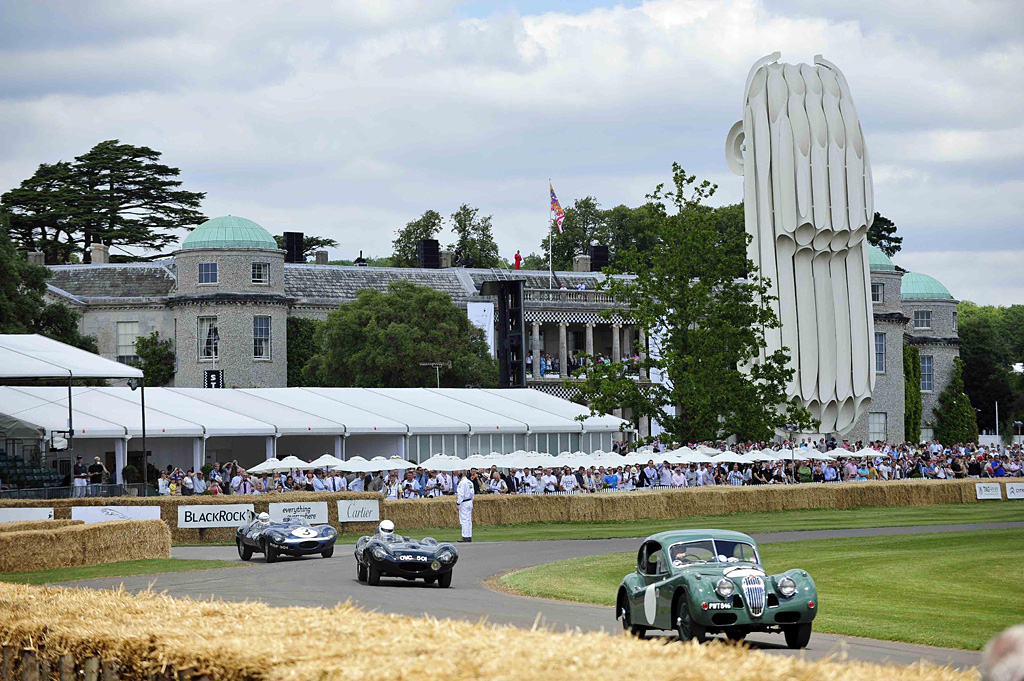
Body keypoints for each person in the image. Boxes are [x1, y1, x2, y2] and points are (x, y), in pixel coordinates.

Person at [456, 470, 474, 542]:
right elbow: (472, 493)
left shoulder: (462, 483)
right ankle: (469, 535)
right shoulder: (470, 482)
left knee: (464, 520)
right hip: (469, 501)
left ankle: (465, 536)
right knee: (468, 519)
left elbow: (461, 494)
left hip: (464, 502)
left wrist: (458, 503)